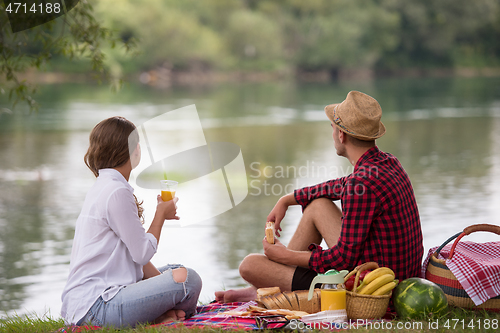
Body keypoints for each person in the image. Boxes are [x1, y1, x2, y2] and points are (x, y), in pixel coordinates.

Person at [216, 91, 423, 303]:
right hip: (396, 272)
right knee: (318, 206)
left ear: (341, 135)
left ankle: (272, 286)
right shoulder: (387, 162)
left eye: (332, 129)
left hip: (373, 287)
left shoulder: (360, 184)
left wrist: (285, 256)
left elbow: (343, 259)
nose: (332, 134)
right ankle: (270, 286)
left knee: (249, 265)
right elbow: (339, 186)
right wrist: (288, 199)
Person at [61, 116, 202, 327]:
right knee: (189, 279)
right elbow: (142, 253)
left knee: (176, 270)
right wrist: (160, 215)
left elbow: (136, 259)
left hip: (90, 302)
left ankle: (160, 315)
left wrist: (164, 282)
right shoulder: (116, 191)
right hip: (97, 307)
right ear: (133, 150)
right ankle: (163, 315)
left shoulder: (105, 185)